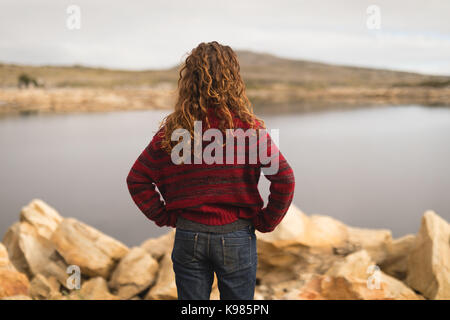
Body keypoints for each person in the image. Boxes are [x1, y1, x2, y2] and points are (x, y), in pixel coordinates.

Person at [126, 41, 295, 300]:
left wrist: (167, 217)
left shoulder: (173, 132)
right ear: (233, 80)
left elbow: (138, 179)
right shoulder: (249, 130)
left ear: (188, 82)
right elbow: (284, 178)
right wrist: (266, 221)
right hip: (237, 235)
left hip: (188, 234)